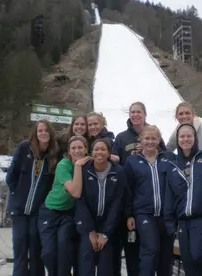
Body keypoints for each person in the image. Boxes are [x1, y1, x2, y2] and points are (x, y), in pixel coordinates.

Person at [111, 101, 166, 276]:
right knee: (141, 249)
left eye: (139, 112)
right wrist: (129, 213)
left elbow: (165, 155)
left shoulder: (155, 135)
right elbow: (116, 164)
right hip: (136, 204)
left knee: (158, 251)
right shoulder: (121, 138)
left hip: (159, 208)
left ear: (144, 114)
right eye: (132, 112)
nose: (135, 115)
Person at [5, 120, 59, 276]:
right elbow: (11, 176)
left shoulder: (53, 155)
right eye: (40, 130)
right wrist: (17, 195)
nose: (43, 133)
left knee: (36, 250)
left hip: (38, 212)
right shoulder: (24, 148)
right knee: (20, 248)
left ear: (51, 133)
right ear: (35, 133)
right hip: (19, 211)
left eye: (46, 130)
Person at [164, 124, 202, 276]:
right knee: (188, 262)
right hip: (183, 221)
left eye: (189, 136)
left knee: (198, 256)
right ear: (178, 140)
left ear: (195, 138)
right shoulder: (173, 165)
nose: (185, 139)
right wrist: (170, 224)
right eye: (182, 136)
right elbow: (169, 196)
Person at [124, 125, 175, 276]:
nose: (150, 141)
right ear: (141, 140)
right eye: (147, 138)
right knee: (151, 249)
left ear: (159, 140)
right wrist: (129, 214)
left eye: (154, 138)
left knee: (166, 255)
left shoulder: (168, 159)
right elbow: (128, 190)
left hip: (166, 214)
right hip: (144, 213)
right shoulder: (133, 161)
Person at [38, 136, 91, 276]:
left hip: (68, 213)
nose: (77, 151)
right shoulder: (64, 165)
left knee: (64, 248)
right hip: (50, 210)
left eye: (80, 147)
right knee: (48, 252)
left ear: (86, 149)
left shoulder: (89, 164)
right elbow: (75, 192)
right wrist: (78, 166)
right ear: (69, 151)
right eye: (73, 148)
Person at [75, 139, 126, 276]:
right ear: (91, 152)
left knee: (105, 263)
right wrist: (91, 231)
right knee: (86, 260)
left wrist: (106, 233)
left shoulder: (118, 171)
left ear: (109, 153)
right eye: (96, 149)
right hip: (87, 224)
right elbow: (81, 201)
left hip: (108, 226)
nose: (99, 152)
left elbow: (117, 204)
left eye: (103, 149)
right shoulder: (85, 170)